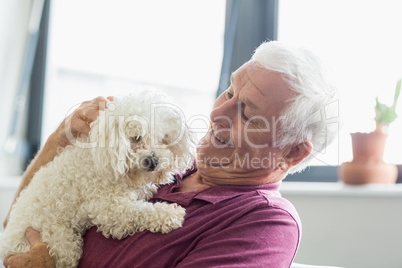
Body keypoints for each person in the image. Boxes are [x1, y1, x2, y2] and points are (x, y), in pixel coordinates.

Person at [2, 41, 337, 268]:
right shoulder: (164, 160)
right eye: (230, 91)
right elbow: (14, 226)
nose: (218, 113)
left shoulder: (265, 224)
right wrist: (57, 143)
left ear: (292, 153)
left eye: (248, 112)